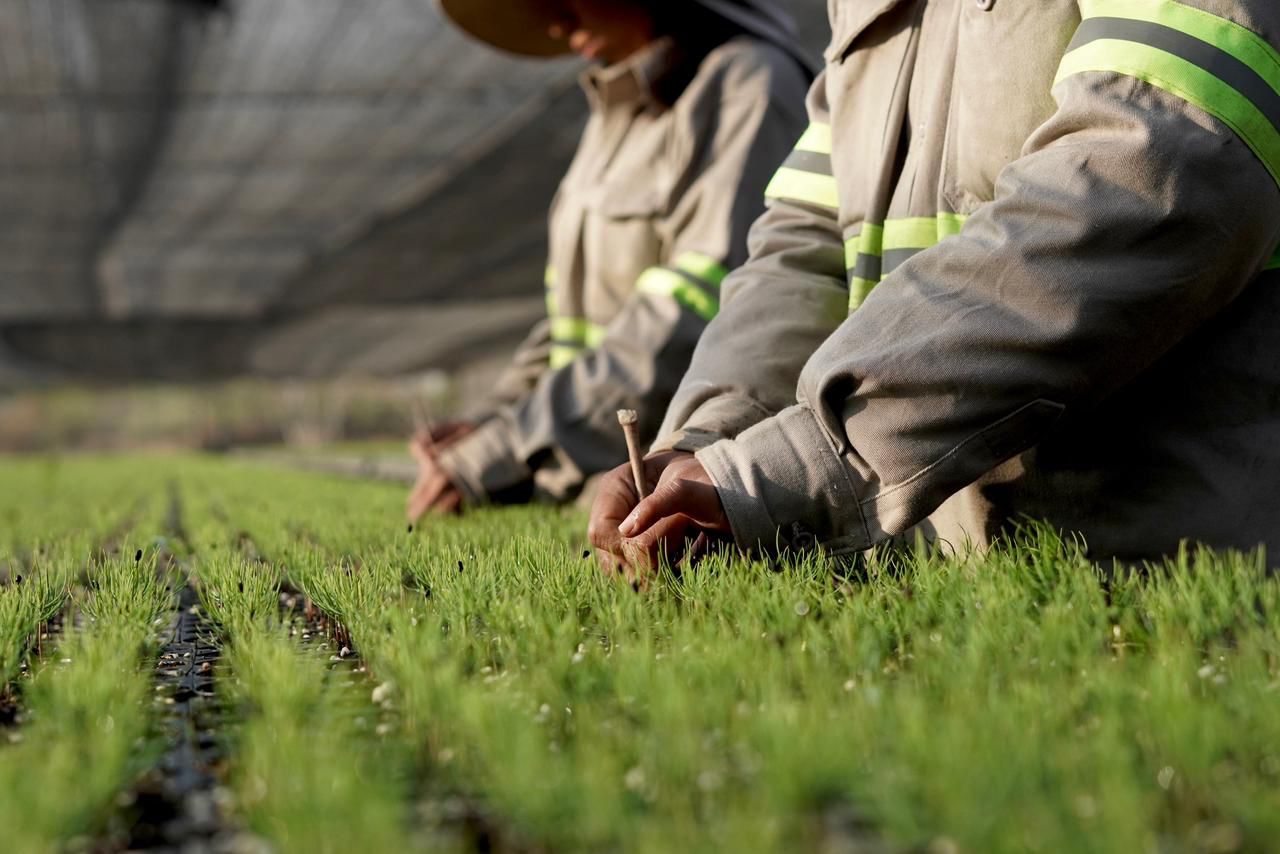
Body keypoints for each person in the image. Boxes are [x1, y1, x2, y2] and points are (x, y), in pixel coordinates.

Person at [590, 0, 1280, 578]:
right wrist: (708, 444)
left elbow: (1154, 167)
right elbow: (808, 245)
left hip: (1179, 583)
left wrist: (786, 466)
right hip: (959, 591)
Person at [407, 0, 812, 521]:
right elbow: (569, 329)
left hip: (687, 485)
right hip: (608, 486)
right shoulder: (614, 111)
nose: (556, 25)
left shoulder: (747, 83)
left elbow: (692, 310)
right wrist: (491, 422)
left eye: (562, 0)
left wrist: (504, 449)